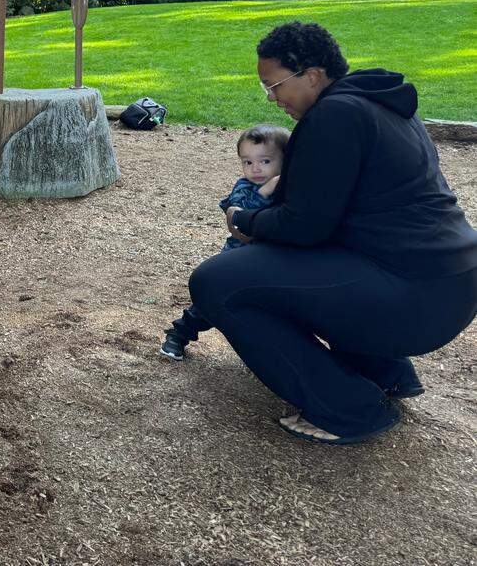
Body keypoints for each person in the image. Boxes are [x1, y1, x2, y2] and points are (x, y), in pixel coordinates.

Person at [189, 22, 477, 444]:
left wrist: (245, 221)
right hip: (447, 285)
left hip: (411, 299)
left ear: (311, 74)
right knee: (290, 270)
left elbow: (303, 226)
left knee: (217, 281)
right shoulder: (379, 104)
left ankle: (347, 409)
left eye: (274, 84)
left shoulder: (334, 116)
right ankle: (385, 372)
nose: (271, 97)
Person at [161, 124, 289, 360]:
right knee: (212, 300)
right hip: (237, 255)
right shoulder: (244, 186)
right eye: (247, 162)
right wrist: (264, 192)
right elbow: (241, 216)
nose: (256, 168)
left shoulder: (290, 189)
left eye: (265, 161)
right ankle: (179, 334)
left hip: (270, 259)